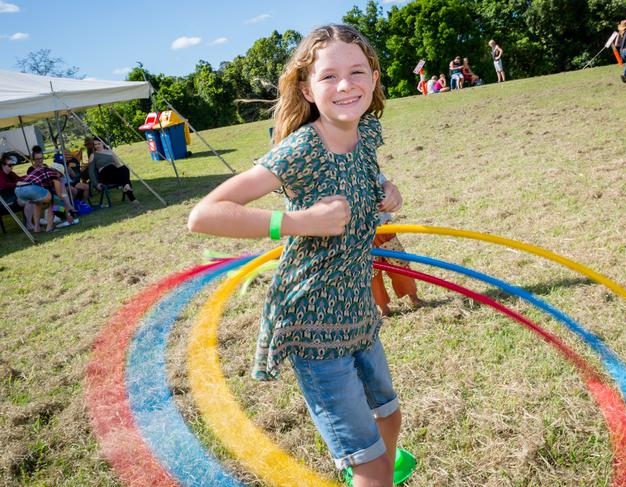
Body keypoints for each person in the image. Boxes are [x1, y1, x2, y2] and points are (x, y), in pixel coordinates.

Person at [188, 24, 404, 487]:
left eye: (356, 71)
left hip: (358, 311)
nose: (345, 85)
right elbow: (204, 215)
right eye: (329, 77)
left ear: (373, 77)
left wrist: (387, 191)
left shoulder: (365, 133)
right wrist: (297, 223)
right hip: (313, 322)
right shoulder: (301, 149)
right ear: (307, 87)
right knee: (366, 459)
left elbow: (369, 178)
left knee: (388, 415)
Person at [372, 175, 423, 317]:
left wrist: (389, 193)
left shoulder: (368, 164)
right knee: (372, 273)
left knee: (399, 264)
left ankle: (413, 297)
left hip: (384, 227)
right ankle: (383, 309)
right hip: (361, 234)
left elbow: (386, 185)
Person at [15, 161, 77, 233]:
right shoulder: (54, 174)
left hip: (18, 189)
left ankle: (36, 228)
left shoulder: (43, 170)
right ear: (58, 172)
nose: (60, 178)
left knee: (38, 204)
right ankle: (49, 228)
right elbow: (59, 196)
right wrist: (67, 214)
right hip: (30, 188)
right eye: (60, 176)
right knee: (53, 201)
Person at [87, 137, 138, 204]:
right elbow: (91, 172)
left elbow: (118, 164)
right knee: (122, 176)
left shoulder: (109, 151)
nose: (97, 146)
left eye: (99, 144)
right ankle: (129, 191)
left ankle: (128, 189)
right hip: (105, 175)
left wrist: (123, 169)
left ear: (103, 143)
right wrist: (96, 184)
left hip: (114, 172)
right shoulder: (93, 155)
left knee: (124, 168)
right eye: (95, 144)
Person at [0, 153, 35, 230]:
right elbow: (3, 185)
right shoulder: (1, 174)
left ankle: (31, 222)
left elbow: (19, 179)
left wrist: (31, 177)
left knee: (32, 198)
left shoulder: (10, 173)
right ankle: (29, 224)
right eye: (9, 165)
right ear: (3, 165)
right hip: (5, 201)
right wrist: (16, 184)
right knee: (28, 199)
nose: (12, 167)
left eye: (12, 165)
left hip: (13, 197)